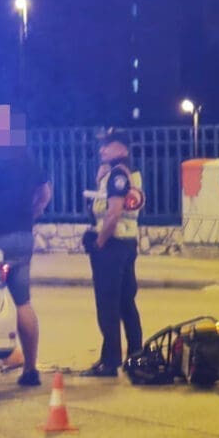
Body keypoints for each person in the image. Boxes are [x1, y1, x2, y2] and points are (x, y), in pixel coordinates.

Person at [0, 105, 52, 388]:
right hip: (23, 237)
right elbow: (45, 194)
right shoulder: (28, 159)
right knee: (22, 302)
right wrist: (31, 215)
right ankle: (30, 369)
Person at [80, 129, 144, 377]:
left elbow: (113, 213)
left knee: (108, 306)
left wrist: (99, 242)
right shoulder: (130, 174)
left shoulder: (117, 175)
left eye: (107, 145)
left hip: (112, 246)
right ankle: (136, 356)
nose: (102, 149)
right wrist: (100, 180)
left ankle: (110, 362)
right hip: (127, 244)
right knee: (126, 302)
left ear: (122, 149)